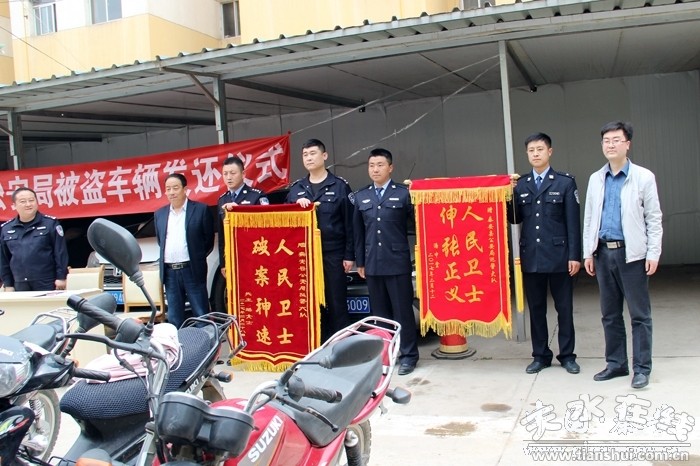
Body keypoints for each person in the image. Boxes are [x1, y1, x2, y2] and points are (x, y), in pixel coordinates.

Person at [583, 121, 662, 389]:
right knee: (610, 314)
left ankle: (641, 369)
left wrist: (653, 253)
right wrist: (588, 252)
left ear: (627, 144)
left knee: (639, 315)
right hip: (603, 253)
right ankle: (616, 364)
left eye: (616, 140)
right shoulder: (596, 178)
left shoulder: (643, 177)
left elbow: (654, 218)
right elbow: (590, 217)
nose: (611, 145)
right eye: (606, 140)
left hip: (632, 255)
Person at [508, 133, 581, 375]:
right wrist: (509, 196)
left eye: (540, 149)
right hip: (532, 257)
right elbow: (514, 219)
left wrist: (575, 256)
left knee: (564, 309)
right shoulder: (521, 184)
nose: (535, 153)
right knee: (536, 309)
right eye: (531, 150)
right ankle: (540, 356)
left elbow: (573, 222)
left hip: (560, 257)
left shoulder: (564, 183)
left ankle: (567, 356)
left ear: (550, 151)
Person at [353, 148, 419, 375]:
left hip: (397, 262)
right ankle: (386, 355)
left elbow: (417, 226)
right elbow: (358, 233)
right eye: (371, 165)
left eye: (380, 165)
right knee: (380, 315)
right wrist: (360, 262)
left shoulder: (403, 194)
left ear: (390, 168)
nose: (375, 169)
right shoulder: (361, 196)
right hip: (372, 264)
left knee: (403, 312)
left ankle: (409, 355)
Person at [285, 139, 355, 342]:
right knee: (311, 304)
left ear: (324, 156)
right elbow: (285, 223)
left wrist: (349, 255)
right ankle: (318, 346)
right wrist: (295, 208)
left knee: (336, 302)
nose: (309, 158)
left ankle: (342, 346)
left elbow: (350, 224)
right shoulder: (296, 189)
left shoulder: (340, 186)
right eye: (305, 154)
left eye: (313, 153)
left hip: (333, 254)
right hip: (305, 257)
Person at [155, 174, 215, 328]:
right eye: (168, 189)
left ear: (185, 189)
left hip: (192, 269)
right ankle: (178, 343)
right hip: (170, 272)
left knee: (201, 313)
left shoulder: (200, 210)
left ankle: (207, 341)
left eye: (175, 188)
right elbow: (161, 241)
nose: (172, 192)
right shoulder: (159, 214)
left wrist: (196, 257)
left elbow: (208, 241)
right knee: (174, 317)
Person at [0, 187, 69, 291]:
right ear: (14, 205)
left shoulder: (50, 224)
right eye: (23, 201)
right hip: (19, 282)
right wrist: (8, 283)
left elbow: (60, 252)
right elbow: (3, 258)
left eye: (31, 200)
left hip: (47, 281)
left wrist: (61, 277)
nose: (28, 204)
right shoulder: (7, 228)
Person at [217, 156, 268, 278]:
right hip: (233, 256)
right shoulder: (222, 199)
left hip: (254, 254)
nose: (229, 177)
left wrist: (239, 211)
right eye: (225, 174)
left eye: (233, 173)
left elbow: (266, 225)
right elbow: (222, 235)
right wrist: (223, 263)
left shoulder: (256, 196)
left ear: (243, 174)